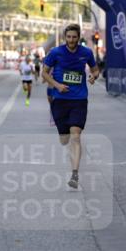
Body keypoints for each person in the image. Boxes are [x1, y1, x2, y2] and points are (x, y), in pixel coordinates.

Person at [41, 24, 100, 189]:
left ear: (79, 37)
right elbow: (44, 73)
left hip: (79, 99)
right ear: (65, 37)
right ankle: (63, 133)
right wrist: (57, 85)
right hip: (59, 99)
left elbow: (96, 70)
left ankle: (74, 173)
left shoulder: (86, 53)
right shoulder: (55, 52)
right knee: (64, 139)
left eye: (74, 37)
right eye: (69, 37)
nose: (71, 40)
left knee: (76, 135)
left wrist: (93, 77)